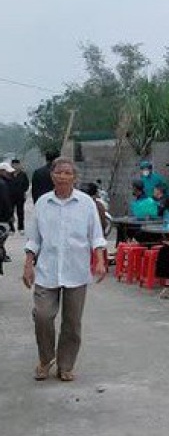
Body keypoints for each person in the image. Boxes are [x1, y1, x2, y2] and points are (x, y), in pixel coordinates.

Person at [23, 157, 107, 382]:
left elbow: (96, 236)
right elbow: (34, 238)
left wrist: (100, 260)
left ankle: (66, 365)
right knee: (42, 316)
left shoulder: (86, 203)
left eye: (67, 173)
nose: (62, 176)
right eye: (58, 172)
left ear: (74, 177)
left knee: (72, 323)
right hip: (47, 270)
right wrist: (28, 264)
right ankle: (45, 359)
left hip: (76, 270)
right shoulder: (43, 203)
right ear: (52, 176)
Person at [10, 158, 30, 235]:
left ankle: (21, 228)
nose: (15, 166)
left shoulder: (23, 174)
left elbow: (26, 184)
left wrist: (23, 190)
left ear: (19, 165)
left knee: (20, 212)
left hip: (20, 196)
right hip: (10, 197)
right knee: (10, 212)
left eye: (16, 165)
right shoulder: (9, 174)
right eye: (13, 165)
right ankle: (11, 228)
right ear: (11, 165)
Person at [0, 162, 16, 234]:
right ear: (2, 171)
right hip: (2, 217)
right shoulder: (2, 184)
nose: (9, 174)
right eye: (7, 172)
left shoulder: (5, 182)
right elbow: (6, 201)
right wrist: (10, 215)